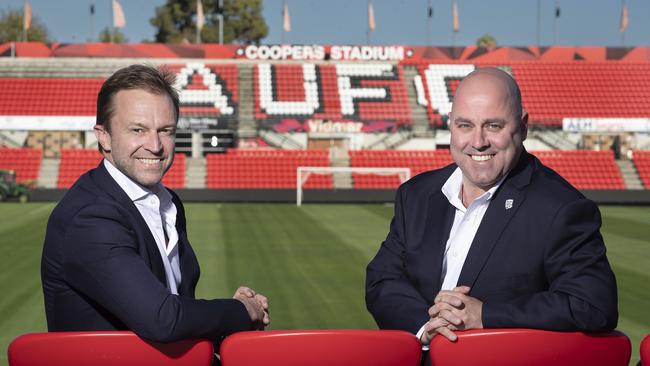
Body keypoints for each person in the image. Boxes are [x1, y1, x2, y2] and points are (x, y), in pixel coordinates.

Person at [365, 68, 618, 350]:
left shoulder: (561, 208)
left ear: (522, 127)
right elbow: (382, 280)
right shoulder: (416, 195)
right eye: (465, 125)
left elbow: (593, 304)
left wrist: (484, 315)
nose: (478, 141)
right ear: (450, 125)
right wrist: (427, 326)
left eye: (493, 126)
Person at [41, 64, 269, 345]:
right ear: (103, 136)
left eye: (165, 130)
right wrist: (242, 311)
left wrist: (227, 312)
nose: (155, 145)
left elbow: (176, 307)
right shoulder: (90, 218)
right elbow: (164, 320)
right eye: (138, 129)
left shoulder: (168, 203)